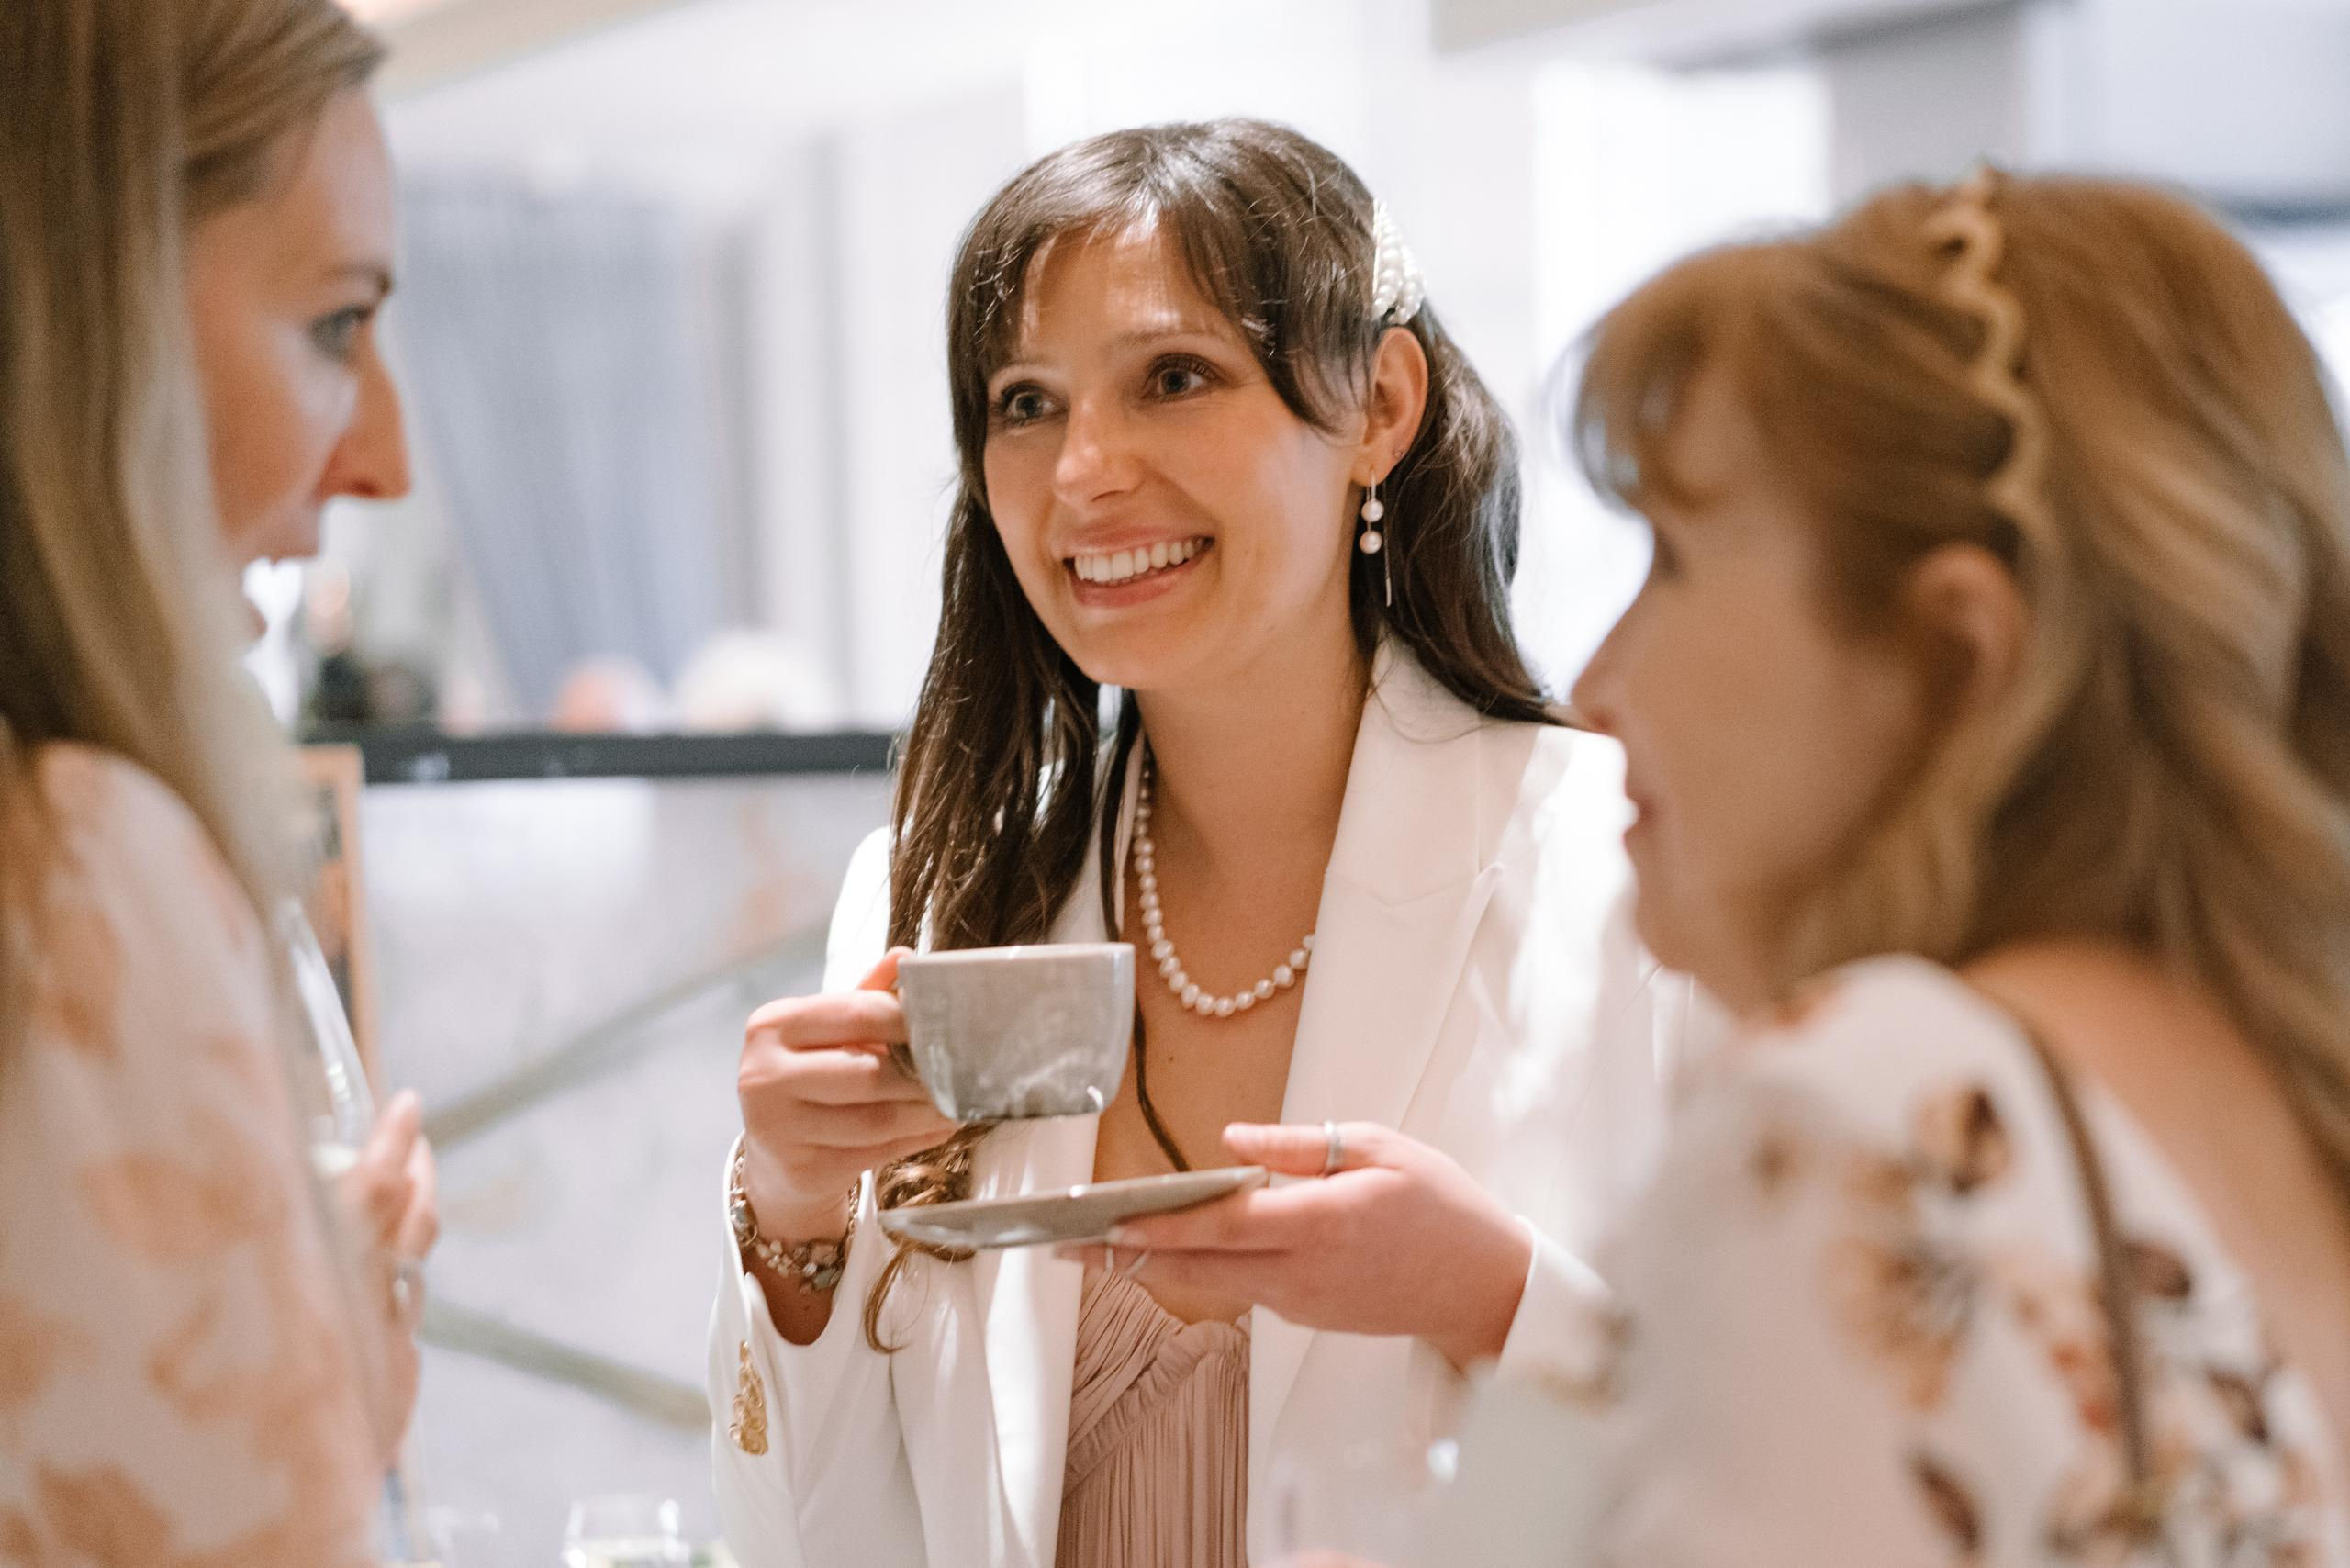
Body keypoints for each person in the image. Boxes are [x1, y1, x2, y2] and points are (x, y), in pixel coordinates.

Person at [1304, 168, 2350, 1567]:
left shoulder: (1869, 1107)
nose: (1600, 684)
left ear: (1951, 655)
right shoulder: (2279, 1078)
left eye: (1672, 557)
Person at [710, 120, 1699, 1568]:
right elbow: (808, 1543)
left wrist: (1491, 1297)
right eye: (1024, 404)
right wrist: (791, 1215)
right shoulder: (940, 897)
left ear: (1380, 404)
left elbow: (1810, 1471)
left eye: (1174, 379)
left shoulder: (1623, 875)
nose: (1084, 471)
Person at [0, 0, 431, 1557]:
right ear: (84, 298)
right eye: (335, 326)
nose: (380, 454)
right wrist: (324, 1400)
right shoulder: (75, 867)